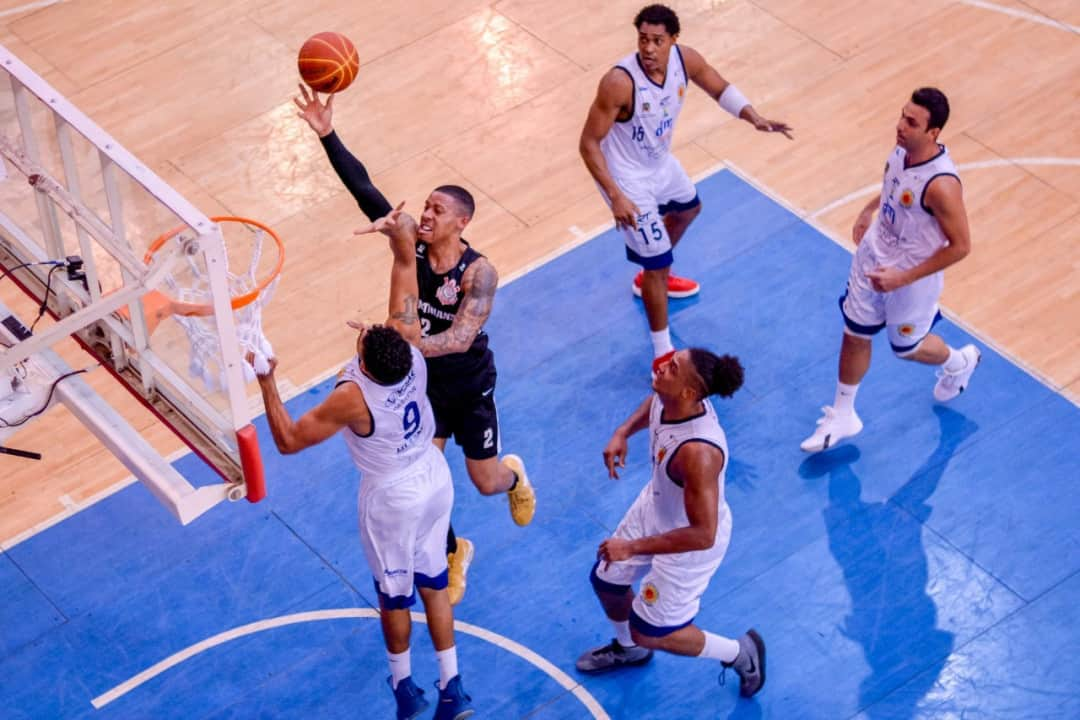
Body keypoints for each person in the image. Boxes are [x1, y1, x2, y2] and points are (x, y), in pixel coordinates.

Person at [295, 85, 536, 605]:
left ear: (462, 222)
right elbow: (367, 192)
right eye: (425, 205)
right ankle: (453, 552)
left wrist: (399, 345)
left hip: (467, 386)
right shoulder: (413, 244)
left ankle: (513, 474)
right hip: (421, 390)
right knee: (422, 481)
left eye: (437, 209)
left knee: (483, 481)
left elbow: (459, 337)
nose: (425, 215)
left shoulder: (480, 273)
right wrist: (328, 134)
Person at [252, 204, 474, 719]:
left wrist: (266, 379)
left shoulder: (353, 397)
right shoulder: (410, 345)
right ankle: (452, 685)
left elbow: (286, 440)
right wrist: (399, 235)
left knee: (394, 599)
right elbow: (404, 268)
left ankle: (404, 691)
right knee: (434, 582)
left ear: (364, 358)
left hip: (393, 494)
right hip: (433, 474)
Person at [579, 3, 792, 359]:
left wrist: (753, 117)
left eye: (657, 41)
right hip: (625, 177)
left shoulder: (685, 59)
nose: (648, 48)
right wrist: (616, 196)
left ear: (673, 40)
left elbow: (719, 87)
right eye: (642, 39)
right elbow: (587, 143)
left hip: (659, 163)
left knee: (689, 209)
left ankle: (650, 274)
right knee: (657, 264)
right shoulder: (619, 83)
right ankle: (662, 352)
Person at [575, 348, 766, 699]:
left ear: (689, 393)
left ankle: (741, 653)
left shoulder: (697, 454)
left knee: (651, 632)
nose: (661, 366)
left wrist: (630, 547)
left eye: (672, 367)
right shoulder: (672, 397)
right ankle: (628, 647)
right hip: (658, 508)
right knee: (607, 580)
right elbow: (655, 402)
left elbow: (702, 534)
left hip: (691, 544)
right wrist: (622, 432)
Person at [800, 87, 980, 453]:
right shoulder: (901, 152)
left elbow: (961, 246)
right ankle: (843, 413)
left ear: (933, 134)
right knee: (854, 332)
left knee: (905, 348)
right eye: (902, 115)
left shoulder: (942, 186)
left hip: (912, 279)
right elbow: (892, 187)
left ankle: (959, 361)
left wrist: (903, 277)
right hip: (873, 257)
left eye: (911, 122)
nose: (900, 125)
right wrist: (869, 210)